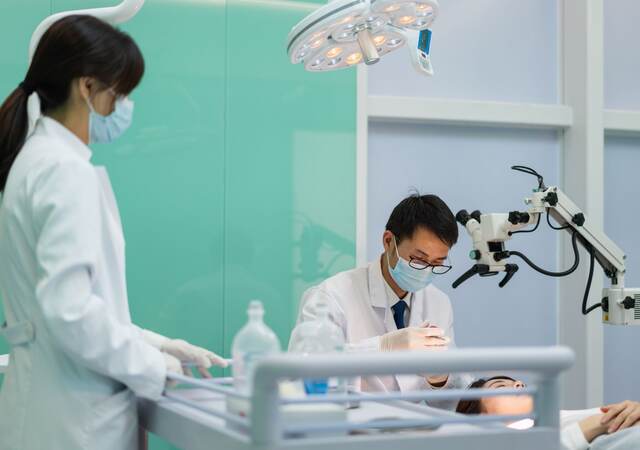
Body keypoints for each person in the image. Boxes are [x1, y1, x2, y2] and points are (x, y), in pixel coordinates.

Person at [0, 15, 226, 450]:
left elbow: (71, 305)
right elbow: (69, 311)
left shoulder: (35, 163)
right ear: (86, 88)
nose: (122, 105)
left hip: (46, 411)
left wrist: (158, 342)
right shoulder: (64, 171)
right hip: (73, 420)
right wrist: (153, 366)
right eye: (119, 92)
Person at [290, 193, 468, 409]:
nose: (426, 270)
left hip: (409, 432)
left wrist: (439, 379)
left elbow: (448, 403)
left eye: (437, 263)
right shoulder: (330, 297)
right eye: (419, 259)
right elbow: (304, 377)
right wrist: (383, 347)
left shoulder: (439, 303)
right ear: (388, 241)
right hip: (346, 431)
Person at [456, 376, 640, 450]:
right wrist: (593, 426)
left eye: (518, 383)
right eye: (500, 386)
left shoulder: (559, 420)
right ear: (482, 419)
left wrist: (633, 410)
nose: (518, 385)